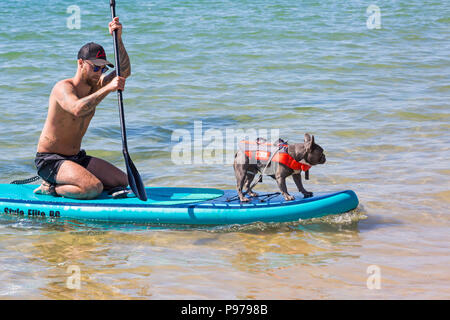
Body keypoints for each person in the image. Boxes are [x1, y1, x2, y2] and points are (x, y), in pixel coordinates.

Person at [34, 17, 131, 199]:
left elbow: (124, 70)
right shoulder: (63, 88)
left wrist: (117, 38)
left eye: (103, 69)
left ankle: (73, 181)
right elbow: (77, 108)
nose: (100, 73)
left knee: (121, 181)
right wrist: (110, 87)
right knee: (93, 188)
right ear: (80, 63)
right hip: (50, 160)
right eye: (96, 68)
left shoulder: (97, 85)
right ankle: (51, 187)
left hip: (76, 157)